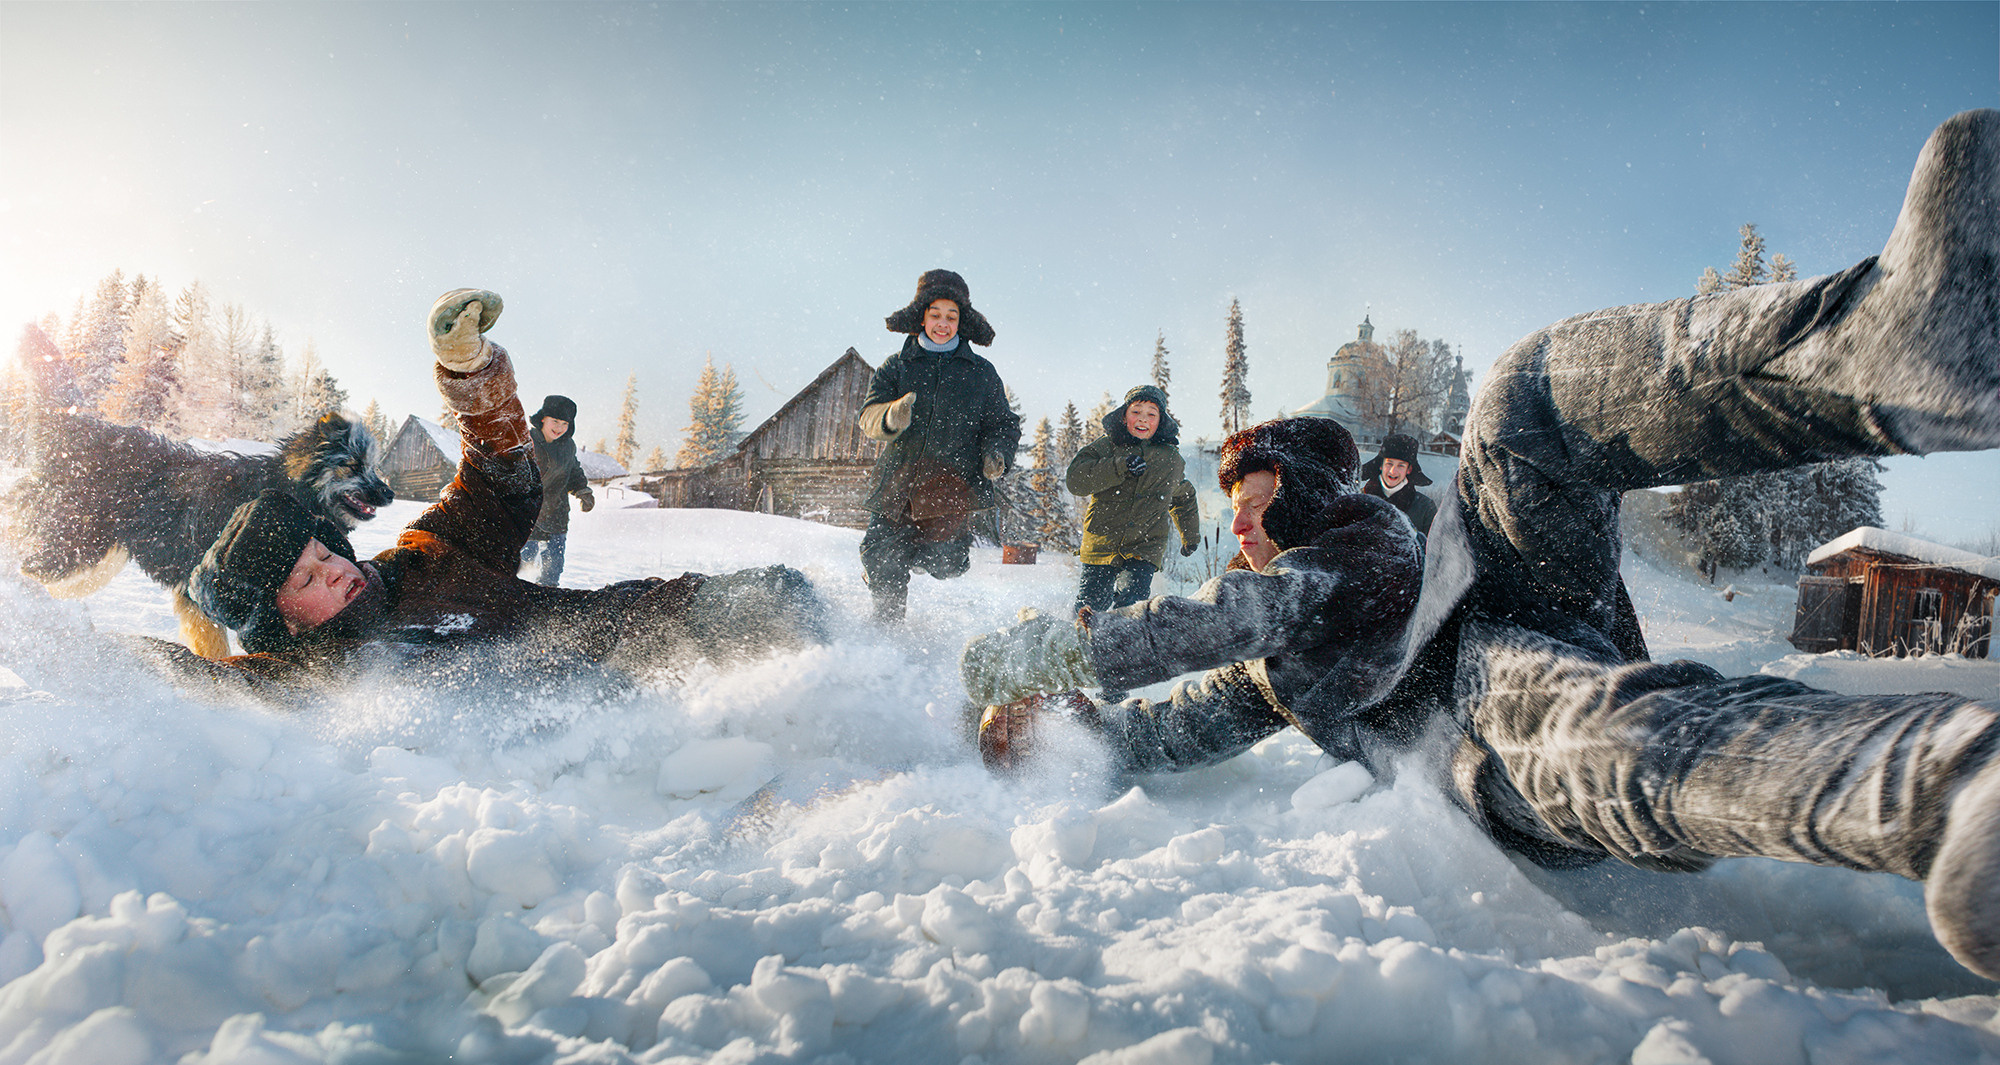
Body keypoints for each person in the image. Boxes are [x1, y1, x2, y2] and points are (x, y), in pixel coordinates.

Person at [961, 108, 2000, 980]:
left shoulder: (1353, 547)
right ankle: (1949, 790)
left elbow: (1241, 612)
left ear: (1306, 486)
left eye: (1250, 492)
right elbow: (1179, 726)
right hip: (1473, 734)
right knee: (1581, 732)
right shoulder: (1277, 668)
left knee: (1519, 399)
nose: (1235, 518)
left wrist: (1054, 652)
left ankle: (1896, 338)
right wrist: (1074, 733)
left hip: (1508, 604)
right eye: (1228, 500)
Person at [156, 289, 824, 701]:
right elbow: (185, 684)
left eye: (321, 553)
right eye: (307, 576)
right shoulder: (296, 681)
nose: (333, 568)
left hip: (640, 648)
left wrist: (473, 379)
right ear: (287, 621)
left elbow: (502, 481)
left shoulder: (427, 558)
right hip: (554, 795)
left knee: (781, 605)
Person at [857, 269, 1022, 623]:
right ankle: (886, 629)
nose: (943, 324)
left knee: (948, 565)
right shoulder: (897, 366)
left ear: (962, 321)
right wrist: (891, 416)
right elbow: (868, 415)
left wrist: (997, 454)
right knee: (883, 558)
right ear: (921, 317)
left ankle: (914, 555)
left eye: (952, 316)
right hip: (897, 485)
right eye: (935, 315)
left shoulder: (981, 373)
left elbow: (1003, 424)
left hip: (949, 486)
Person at [1065, 385, 1200, 619]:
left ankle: (1123, 651)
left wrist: (1190, 536)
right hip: (1101, 540)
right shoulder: (1106, 446)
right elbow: (1076, 480)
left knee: (1130, 606)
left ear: (1161, 421)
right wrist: (1118, 465)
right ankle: (1080, 648)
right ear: (1124, 415)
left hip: (1144, 546)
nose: (1143, 419)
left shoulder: (1170, 460)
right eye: (1136, 411)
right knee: (1091, 606)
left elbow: (1182, 496)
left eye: (1151, 414)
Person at [520, 394, 594, 587]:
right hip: (527, 515)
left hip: (556, 516)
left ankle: (546, 604)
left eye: (564, 423)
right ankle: (512, 602)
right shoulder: (525, 442)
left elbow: (573, 471)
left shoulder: (568, 446)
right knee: (522, 562)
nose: (559, 428)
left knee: (552, 569)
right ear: (543, 418)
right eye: (555, 421)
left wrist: (583, 491)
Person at [1358, 432, 1436, 539]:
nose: (1393, 471)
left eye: (1401, 466)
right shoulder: (1358, 499)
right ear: (1380, 465)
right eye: (1389, 463)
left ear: (1409, 470)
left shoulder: (1425, 508)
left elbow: (1432, 551)